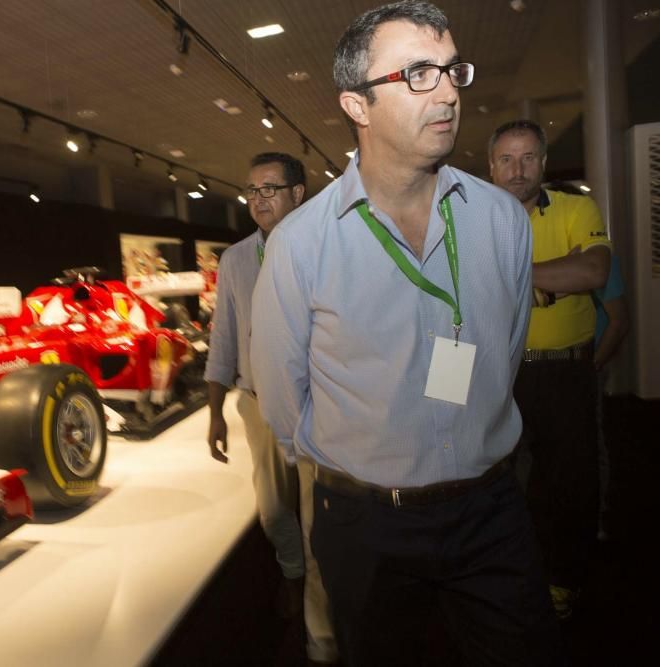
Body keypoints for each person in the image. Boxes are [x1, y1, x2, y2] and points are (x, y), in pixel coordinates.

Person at [251, 3, 562, 665]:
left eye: (452, 70)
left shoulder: (502, 223)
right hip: (366, 524)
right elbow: (282, 398)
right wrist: (355, 471)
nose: (448, 90)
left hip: (491, 509)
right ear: (357, 106)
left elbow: (503, 355)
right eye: (419, 73)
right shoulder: (302, 245)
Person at [204, 152, 338, 665]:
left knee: (316, 523)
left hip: (315, 408)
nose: (259, 199)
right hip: (257, 406)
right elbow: (223, 339)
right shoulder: (236, 260)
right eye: (252, 190)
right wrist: (217, 411)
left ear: (298, 194)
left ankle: (321, 640)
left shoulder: (325, 250)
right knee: (274, 513)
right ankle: (292, 576)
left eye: (270, 189)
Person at [489, 119, 612, 620]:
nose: (517, 170)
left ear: (543, 162)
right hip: (500, 376)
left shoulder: (576, 207)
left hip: (564, 375)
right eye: (506, 159)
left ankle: (564, 579)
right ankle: (507, 577)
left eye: (528, 158)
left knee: (571, 485)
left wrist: (511, 277)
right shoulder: (472, 220)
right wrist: (547, 278)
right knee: (497, 484)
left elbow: (593, 270)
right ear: (491, 165)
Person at [591, 255, 629, 541]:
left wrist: (592, 366)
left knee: (590, 441)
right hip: (536, 368)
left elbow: (619, 320)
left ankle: (597, 516)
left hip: (583, 367)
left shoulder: (599, 257)